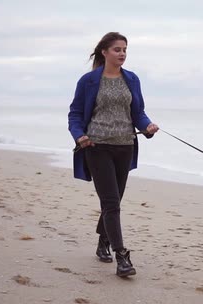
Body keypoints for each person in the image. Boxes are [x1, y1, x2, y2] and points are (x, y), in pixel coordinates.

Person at [68, 32, 159, 277]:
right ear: (104, 52)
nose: (122, 54)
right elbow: (75, 114)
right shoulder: (88, 81)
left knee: (114, 202)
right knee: (111, 203)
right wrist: (79, 136)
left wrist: (147, 126)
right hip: (96, 148)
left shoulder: (132, 79)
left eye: (125, 49)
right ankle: (122, 256)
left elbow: (138, 112)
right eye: (117, 49)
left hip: (124, 147)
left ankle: (102, 242)